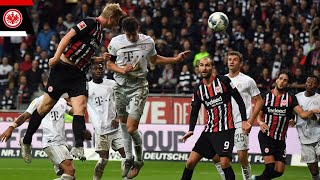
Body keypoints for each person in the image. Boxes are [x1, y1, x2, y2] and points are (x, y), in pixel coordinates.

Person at [19, 3, 126, 162]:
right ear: (110, 18)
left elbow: (83, 53)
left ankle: (78, 146)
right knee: (44, 107)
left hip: (78, 73)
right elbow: (67, 37)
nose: (116, 24)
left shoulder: (99, 33)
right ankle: (26, 141)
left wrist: (98, 59)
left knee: (80, 107)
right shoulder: (90, 23)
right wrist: (56, 57)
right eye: (116, 21)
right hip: (62, 69)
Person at [105, 16, 191, 179]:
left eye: (133, 33)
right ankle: (128, 158)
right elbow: (109, 63)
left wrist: (175, 59)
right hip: (120, 86)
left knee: (131, 128)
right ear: (124, 31)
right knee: (123, 124)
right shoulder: (115, 42)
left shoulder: (148, 42)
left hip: (138, 86)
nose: (130, 37)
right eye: (128, 34)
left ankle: (139, 160)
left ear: (138, 28)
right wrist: (122, 70)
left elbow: (155, 59)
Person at [180, 57, 251, 180]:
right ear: (198, 68)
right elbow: (195, 110)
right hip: (209, 131)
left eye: (207, 65)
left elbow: (239, 100)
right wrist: (191, 129)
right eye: (201, 65)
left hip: (226, 130)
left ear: (212, 67)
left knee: (224, 163)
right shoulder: (198, 88)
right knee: (190, 162)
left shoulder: (224, 81)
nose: (204, 68)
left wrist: (244, 120)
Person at [0, 72, 76, 180]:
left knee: (71, 176)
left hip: (61, 142)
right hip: (51, 141)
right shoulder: (39, 101)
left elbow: (74, 111)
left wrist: (79, 102)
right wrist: (11, 127)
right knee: (70, 171)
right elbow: (25, 116)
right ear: (45, 83)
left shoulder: (62, 101)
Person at [252, 71, 319, 180]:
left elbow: (302, 114)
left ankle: (257, 179)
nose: (282, 81)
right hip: (266, 136)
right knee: (270, 167)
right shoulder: (265, 96)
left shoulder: (291, 98)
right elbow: (258, 114)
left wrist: (312, 111)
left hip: (280, 140)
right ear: (276, 80)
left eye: (285, 80)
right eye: (281, 78)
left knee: (279, 171)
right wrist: (260, 122)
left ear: (287, 84)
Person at [212, 51, 263, 180]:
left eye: (235, 59)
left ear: (240, 63)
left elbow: (259, 101)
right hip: (224, 124)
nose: (231, 61)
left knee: (242, 157)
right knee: (216, 157)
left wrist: (250, 121)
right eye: (229, 59)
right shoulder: (220, 80)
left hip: (241, 123)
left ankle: (247, 178)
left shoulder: (247, 81)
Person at [87, 62, 126, 180]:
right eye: (95, 68)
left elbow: (121, 100)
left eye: (100, 68)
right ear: (91, 71)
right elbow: (78, 103)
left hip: (115, 127)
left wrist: (118, 117)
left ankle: (126, 178)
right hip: (100, 129)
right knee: (104, 159)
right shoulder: (86, 87)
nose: (98, 70)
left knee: (127, 154)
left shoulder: (112, 84)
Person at [293, 75, 320, 180]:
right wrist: (291, 120)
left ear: (317, 85)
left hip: (318, 135)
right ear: (305, 83)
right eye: (309, 82)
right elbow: (291, 113)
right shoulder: (297, 97)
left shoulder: (319, 99)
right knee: (313, 171)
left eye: (314, 83)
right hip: (304, 137)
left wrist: (315, 117)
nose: (311, 85)